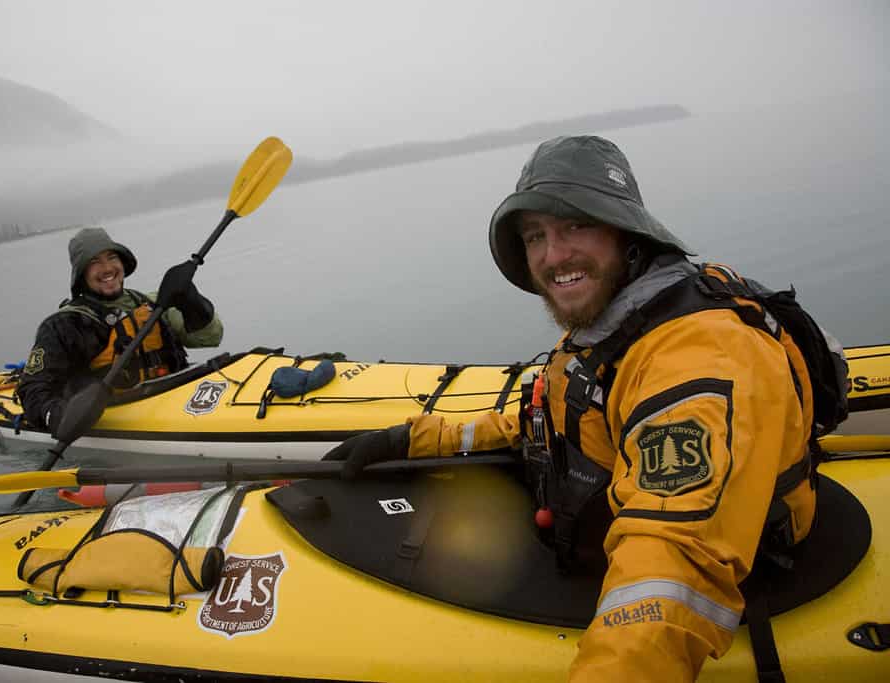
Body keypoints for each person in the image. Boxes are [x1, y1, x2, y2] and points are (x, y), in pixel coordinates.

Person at [323, 136, 832, 681]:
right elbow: (551, 422)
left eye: (575, 226)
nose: (552, 255)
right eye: (535, 236)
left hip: (727, 578)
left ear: (627, 234)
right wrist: (416, 439)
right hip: (595, 534)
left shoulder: (698, 357)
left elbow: (672, 568)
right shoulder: (612, 323)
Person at [18, 227, 223, 437]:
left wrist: (192, 301)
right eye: (94, 262)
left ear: (122, 264)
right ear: (81, 274)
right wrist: (56, 416)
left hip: (177, 398)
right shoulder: (64, 325)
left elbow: (210, 337)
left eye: (112, 257)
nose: (107, 268)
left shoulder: (154, 303)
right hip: (113, 417)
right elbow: (33, 389)